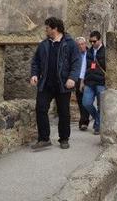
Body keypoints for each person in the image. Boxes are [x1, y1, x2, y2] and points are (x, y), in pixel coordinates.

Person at [30, 17, 80, 150]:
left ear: (55, 29)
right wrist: (34, 74)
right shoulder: (44, 44)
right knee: (40, 108)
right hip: (46, 83)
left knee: (63, 112)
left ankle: (64, 138)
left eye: (47, 28)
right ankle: (44, 139)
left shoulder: (70, 44)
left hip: (63, 84)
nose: (45, 30)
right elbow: (35, 62)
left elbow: (76, 62)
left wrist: (72, 78)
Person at [82, 31, 106, 136]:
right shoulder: (89, 52)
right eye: (90, 41)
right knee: (86, 103)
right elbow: (84, 66)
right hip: (89, 81)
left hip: (101, 82)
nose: (92, 43)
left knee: (101, 105)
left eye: (94, 41)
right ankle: (97, 118)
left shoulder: (106, 51)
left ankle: (97, 126)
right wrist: (82, 81)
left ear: (100, 40)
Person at [75, 37, 90, 131]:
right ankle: (84, 120)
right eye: (79, 44)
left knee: (86, 100)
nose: (81, 46)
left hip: (88, 78)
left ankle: (84, 121)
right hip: (77, 78)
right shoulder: (75, 54)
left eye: (82, 44)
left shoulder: (90, 53)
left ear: (85, 43)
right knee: (80, 100)